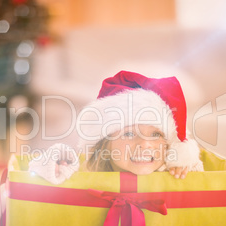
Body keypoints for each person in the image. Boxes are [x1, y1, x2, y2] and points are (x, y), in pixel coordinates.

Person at [29, 71, 203, 184]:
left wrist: (184, 167)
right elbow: (39, 171)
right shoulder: (91, 172)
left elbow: (200, 182)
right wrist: (56, 166)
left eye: (156, 134)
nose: (145, 144)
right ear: (105, 142)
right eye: (129, 133)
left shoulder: (171, 171)